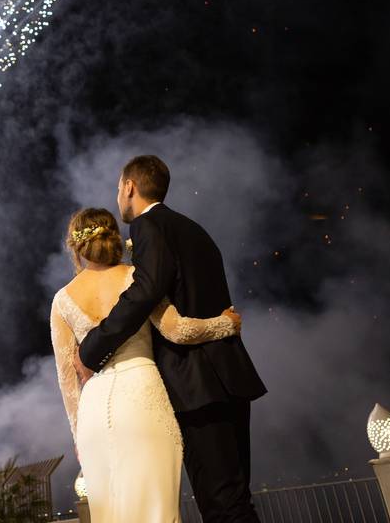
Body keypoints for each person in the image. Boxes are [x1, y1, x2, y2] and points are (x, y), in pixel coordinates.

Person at [76, 155, 267, 522]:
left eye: (118, 188)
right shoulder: (196, 231)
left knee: (220, 504)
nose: (118, 197)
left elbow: (145, 291)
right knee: (235, 498)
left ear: (130, 187)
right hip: (228, 376)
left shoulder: (148, 227)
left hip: (196, 384)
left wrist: (93, 347)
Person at [51, 207, 243, 522]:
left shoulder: (62, 300)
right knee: (157, 509)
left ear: (75, 246)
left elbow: (67, 381)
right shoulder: (136, 279)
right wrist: (225, 324)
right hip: (142, 397)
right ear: (115, 239)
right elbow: (178, 330)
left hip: (93, 415)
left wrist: (77, 438)